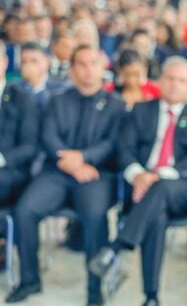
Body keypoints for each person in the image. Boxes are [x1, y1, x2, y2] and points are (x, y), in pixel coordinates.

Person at [7, 45, 126, 305]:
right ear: (71, 70)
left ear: (102, 67)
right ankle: (29, 280)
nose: (87, 69)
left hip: (97, 174)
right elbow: (48, 136)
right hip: (57, 172)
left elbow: (113, 143)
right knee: (25, 209)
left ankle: (95, 290)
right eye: (81, 64)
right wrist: (72, 163)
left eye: (93, 63)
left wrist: (85, 158)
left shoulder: (116, 105)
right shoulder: (58, 99)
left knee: (95, 215)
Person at [89, 57, 187, 306]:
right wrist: (138, 175)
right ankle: (151, 296)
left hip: (184, 190)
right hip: (144, 192)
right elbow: (124, 150)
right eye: (171, 79)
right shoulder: (141, 111)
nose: (175, 85)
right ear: (160, 81)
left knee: (161, 187)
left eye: (182, 81)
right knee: (157, 216)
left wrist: (155, 177)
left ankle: (118, 244)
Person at [0, 42, 39, 207]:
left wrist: (2, 159)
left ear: (4, 62)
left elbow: (30, 146)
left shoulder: (22, 98)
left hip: (9, 169)